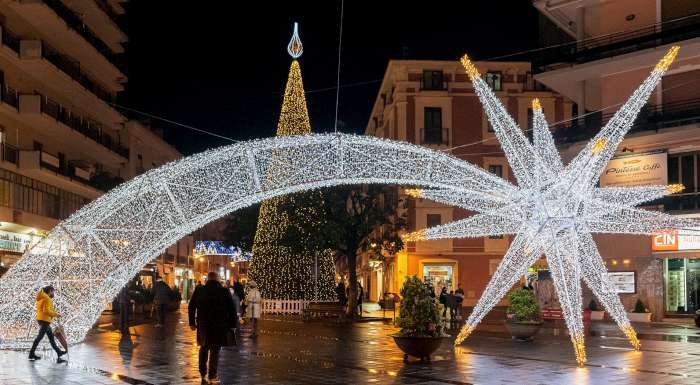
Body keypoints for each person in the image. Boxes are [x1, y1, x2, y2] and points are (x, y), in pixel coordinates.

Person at [189, 272, 236, 384]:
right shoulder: (224, 291)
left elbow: (191, 306)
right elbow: (232, 309)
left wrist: (192, 322)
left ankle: (202, 373)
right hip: (219, 326)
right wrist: (232, 325)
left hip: (203, 325)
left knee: (203, 348)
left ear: (207, 279)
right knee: (215, 350)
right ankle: (212, 375)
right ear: (218, 280)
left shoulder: (199, 290)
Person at [28, 286, 67, 362]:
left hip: (41, 319)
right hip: (44, 320)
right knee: (39, 337)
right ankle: (31, 354)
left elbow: (43, 310)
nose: (53, 293)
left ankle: (59, 352)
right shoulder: (47, 299)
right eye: (53, 292)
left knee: (51, 337)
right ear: (50, 291)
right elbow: (47, 311)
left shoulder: (41, 298)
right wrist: (57, 314)